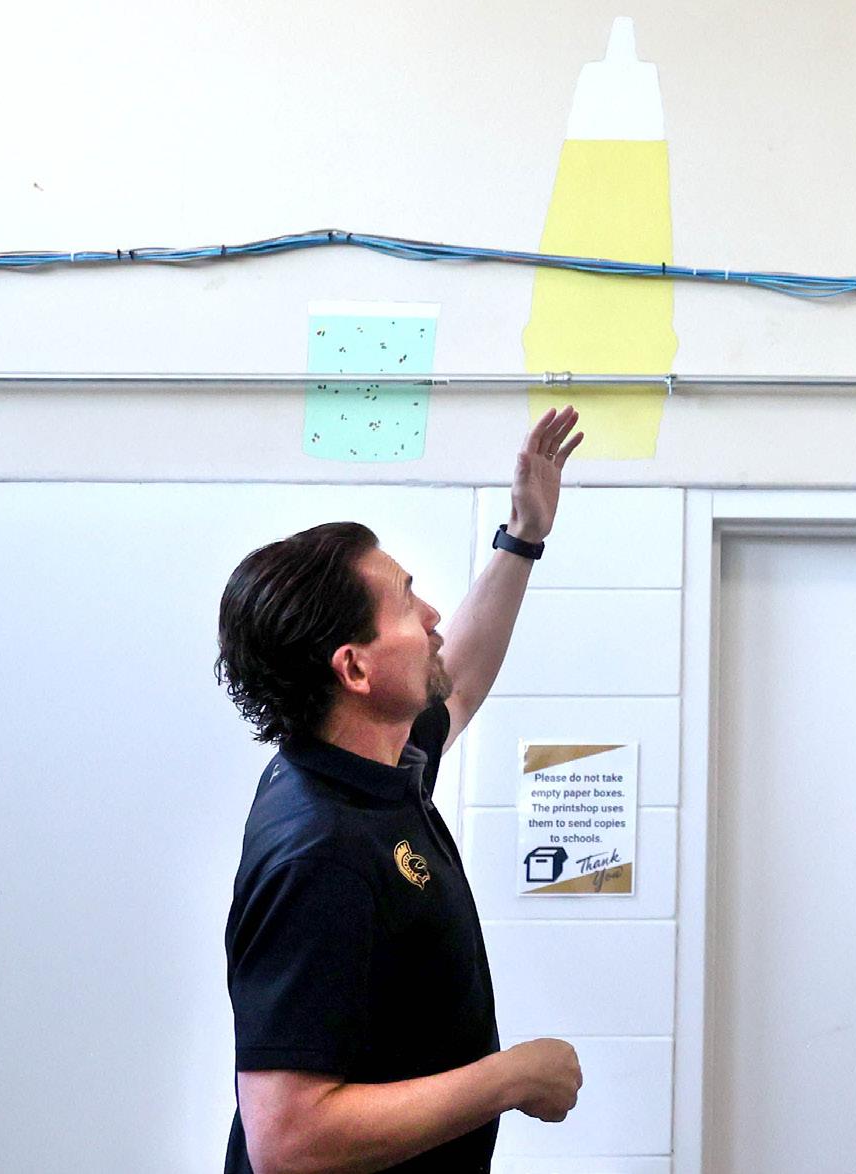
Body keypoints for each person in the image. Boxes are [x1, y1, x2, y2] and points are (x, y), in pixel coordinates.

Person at [214, 406, 587, 1174]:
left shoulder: (368, 770)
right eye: (407, 600)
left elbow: (463, 681)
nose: (432, 614)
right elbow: (286, 1140)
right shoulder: (321, 852)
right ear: (354, 668)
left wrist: (523, 539)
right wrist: (509, 1078)